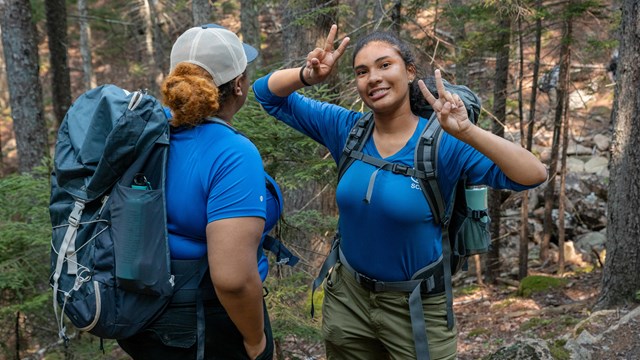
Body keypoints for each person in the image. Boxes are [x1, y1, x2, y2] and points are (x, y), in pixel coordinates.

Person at [252, 25, 547, 360]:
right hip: (348, 300)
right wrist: (307, 75)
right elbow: (266, 94)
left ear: (409, 72)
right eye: (361, 72)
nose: (373, 78)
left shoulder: (444, 145)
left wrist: (468, 132)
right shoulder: (347, 130)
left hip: (417, 307)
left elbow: (533, 175)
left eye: (384, 65)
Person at [117, 25, 275, 360]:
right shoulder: (232, 153)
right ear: (238, 85)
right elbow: (233, 279)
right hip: (206, 325)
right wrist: (255, 340)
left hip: (141, 314)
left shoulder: (148, 135)